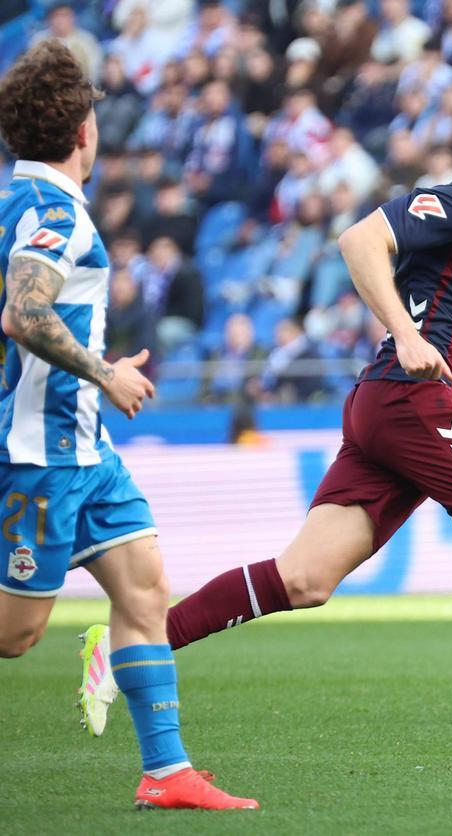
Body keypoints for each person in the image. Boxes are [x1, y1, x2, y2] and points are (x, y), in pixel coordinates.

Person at [83, 61, 452, 765]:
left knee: (305, 578)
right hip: (412, 398)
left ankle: (133, 636)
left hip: (396, 406)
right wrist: (406, 334)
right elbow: (359, 239)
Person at [0, 42, 257, 810]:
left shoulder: (17, 203)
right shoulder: (55, 215)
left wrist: (93, 371)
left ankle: (167, 771)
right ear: (84, 129)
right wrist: (105, 372)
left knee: (145, 588)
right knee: (16, 635)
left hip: (85, 448)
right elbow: (24, 312)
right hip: (41, 456)